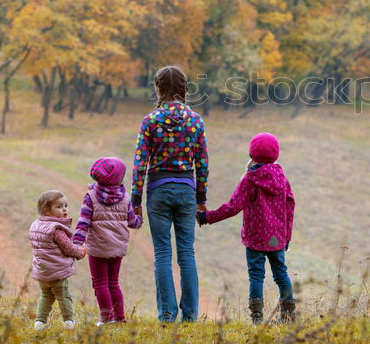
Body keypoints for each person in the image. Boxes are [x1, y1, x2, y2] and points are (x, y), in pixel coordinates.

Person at [132, 66, 209, 322]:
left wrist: (135, 200)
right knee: (187, 253)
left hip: (158, 190)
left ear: (158, 87)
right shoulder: (195, 120)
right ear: (184, 87)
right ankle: (190, 316)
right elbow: (203, 163)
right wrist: (201, 200)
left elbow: (140, 162)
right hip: (186, 190)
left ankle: (166, 314)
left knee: (163, 253)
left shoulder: (150, 121)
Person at [199, 132, 296, 324]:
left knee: (256, 276)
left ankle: (257, 318)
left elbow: (233, 207)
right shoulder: (282, 178)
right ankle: (288, 316)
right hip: (277, 237)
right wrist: (287, 237)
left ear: (251, 155)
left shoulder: (250, 179)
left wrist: (207, 217)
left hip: (255, 238)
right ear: (276, 154)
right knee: (281, 274)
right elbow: (290, 206)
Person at [73, 157, 142, 325]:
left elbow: (83, 222)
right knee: (113, 283)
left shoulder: (91, 197)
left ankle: (106, 318)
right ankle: (119, 318)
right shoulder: (125, 197)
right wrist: (140, 218)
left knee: (100, 283)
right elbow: (133, 222)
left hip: (98, 248)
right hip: (117, 248)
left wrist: (75, 243)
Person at [29, 190, 86, 330]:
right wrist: (81, 251)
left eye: (65, 205)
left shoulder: (35, 225)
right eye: (59, 207)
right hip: (56, 271)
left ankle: (40, 322)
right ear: (47, 211)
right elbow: (69, 248)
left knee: (46, 295)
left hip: (42, 271)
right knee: (63, 296)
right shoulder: (56, 229)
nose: (65, 209)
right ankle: (69, 322)